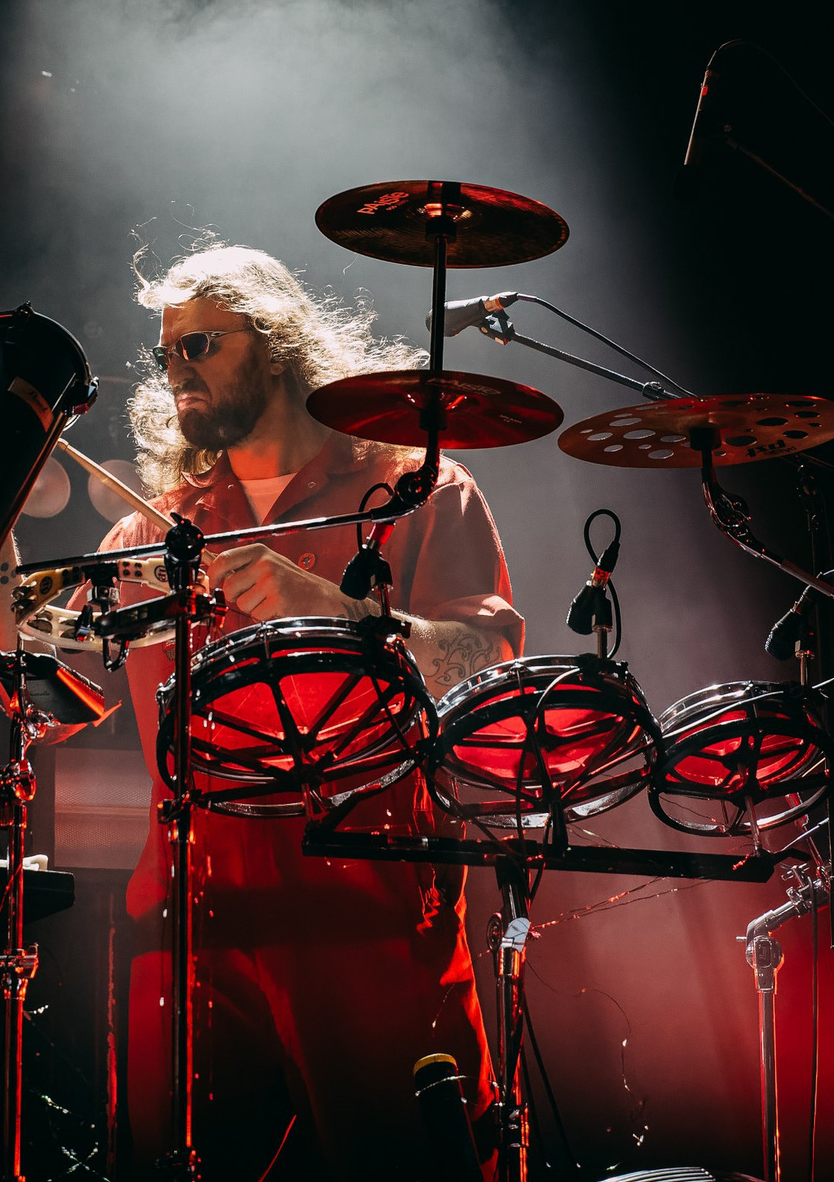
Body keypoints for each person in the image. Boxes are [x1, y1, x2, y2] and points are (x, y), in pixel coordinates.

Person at [87, 244, 525, 1179]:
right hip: (194, 926)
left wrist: (337, 612)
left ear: (276, 342)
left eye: (200, 344)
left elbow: (486, 666)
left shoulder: (415, 489)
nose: (178, 371)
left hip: (368, 919)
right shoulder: (150, 532)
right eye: (166, 354)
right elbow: (45, 693)